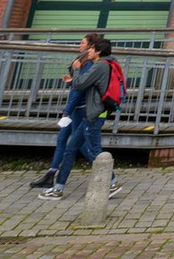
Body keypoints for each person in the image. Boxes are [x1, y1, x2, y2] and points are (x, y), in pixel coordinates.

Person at [38, 38, 122, 201]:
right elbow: (88, 84)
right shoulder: (106, 65)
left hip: (93, 115)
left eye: (91, 49)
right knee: (70, 150)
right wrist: (75, 80)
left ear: (97, 52)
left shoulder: (100, 65)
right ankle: (58, 188)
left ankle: (112, 183)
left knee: (94, 150)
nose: (87, 52)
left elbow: (81, 84)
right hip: (92, 114)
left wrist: (76, 71)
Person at [29, 31, 102, 190]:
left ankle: (106, 174)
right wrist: (71, 81)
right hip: (74, 108)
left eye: (82, 43)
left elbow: (80, 89)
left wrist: (67, 110)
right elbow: (79, 84)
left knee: (77, 144)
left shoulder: (87, 63)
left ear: (90, 46)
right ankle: (50, 174)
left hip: (78, 109)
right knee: (62, 139)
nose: (79, 45)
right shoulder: (82, 61)